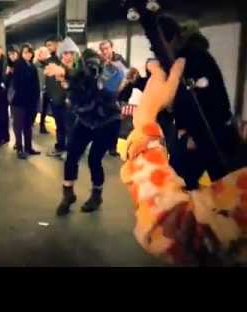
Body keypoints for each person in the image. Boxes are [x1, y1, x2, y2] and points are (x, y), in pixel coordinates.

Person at [121, 58, 247, 266]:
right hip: (193, 138)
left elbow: (175, 228)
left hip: (199, 139)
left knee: (193, 178)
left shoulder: (198, 63)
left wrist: (145, 123)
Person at [157, 15, 241, 188]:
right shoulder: (192, 56)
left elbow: (202, 98)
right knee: (218, 186)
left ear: (173, 38)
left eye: (161, 44)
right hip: (211, 131)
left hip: (210, 133)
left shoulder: (190, 58)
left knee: (180, 183)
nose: (159, 51)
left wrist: (191, 132)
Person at [49, 49, 125, 216]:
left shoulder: (101, 75)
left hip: (107, 122)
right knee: (72, 155)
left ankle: (96, 196)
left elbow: (89, 80)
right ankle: (68, 194)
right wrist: (65, 77)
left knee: (94, 159)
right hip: (86, 121)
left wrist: (66, 74)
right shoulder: (74, 77)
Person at [38, 37, 78, 159]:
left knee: (70, 127)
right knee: (60, 126)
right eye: (64, 53)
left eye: (69, 53)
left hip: (71, 104)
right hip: (56, 101)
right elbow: (43, 62)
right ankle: (60, 147)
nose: (67, 56)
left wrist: (68, 82)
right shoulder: (55, 63)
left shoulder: (77, 68)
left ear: (74, 54)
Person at [10, 43, 41, 160]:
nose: (27, 54)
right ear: (21, 54)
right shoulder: (18, 65)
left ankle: (28, 147)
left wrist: (36, 98)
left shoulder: (32, 66)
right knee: (18, 126)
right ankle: (19, 148)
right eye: (25, 52)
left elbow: (36, 84)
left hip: (30, 102)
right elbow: (18, 84)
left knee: (28, 126)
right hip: (19, 102)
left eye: (29, 52)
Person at [99, 40, 129, 157]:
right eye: (103, 50)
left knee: (116, 123)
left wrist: (118, 91)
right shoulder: (100, 62)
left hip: (119, 97)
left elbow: (126, 77)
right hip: (105, 97)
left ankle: (112, 147)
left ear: (112, 48)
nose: (105, 51)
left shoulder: (120, 60)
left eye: (107, 48)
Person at [39, 36, 60, 134]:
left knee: (56, 111)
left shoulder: (59, 57)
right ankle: (42, 125)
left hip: (58, 90)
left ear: (56, 44)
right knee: (44, 108)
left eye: (49, 45)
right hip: (48, 88)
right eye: (46, 46)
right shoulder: (48, 58)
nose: (48, 48)